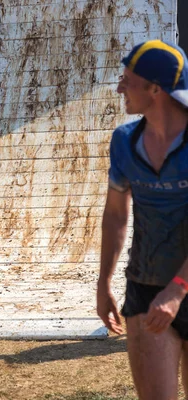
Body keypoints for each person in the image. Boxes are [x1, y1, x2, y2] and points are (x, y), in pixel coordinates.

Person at [97, 40, 188, 400]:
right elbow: (116, 215)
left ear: (156, 89)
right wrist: (103, 282)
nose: (119, 87)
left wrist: (178, 289)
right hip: (147, 288)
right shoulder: (123, 140)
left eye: (127, 79)